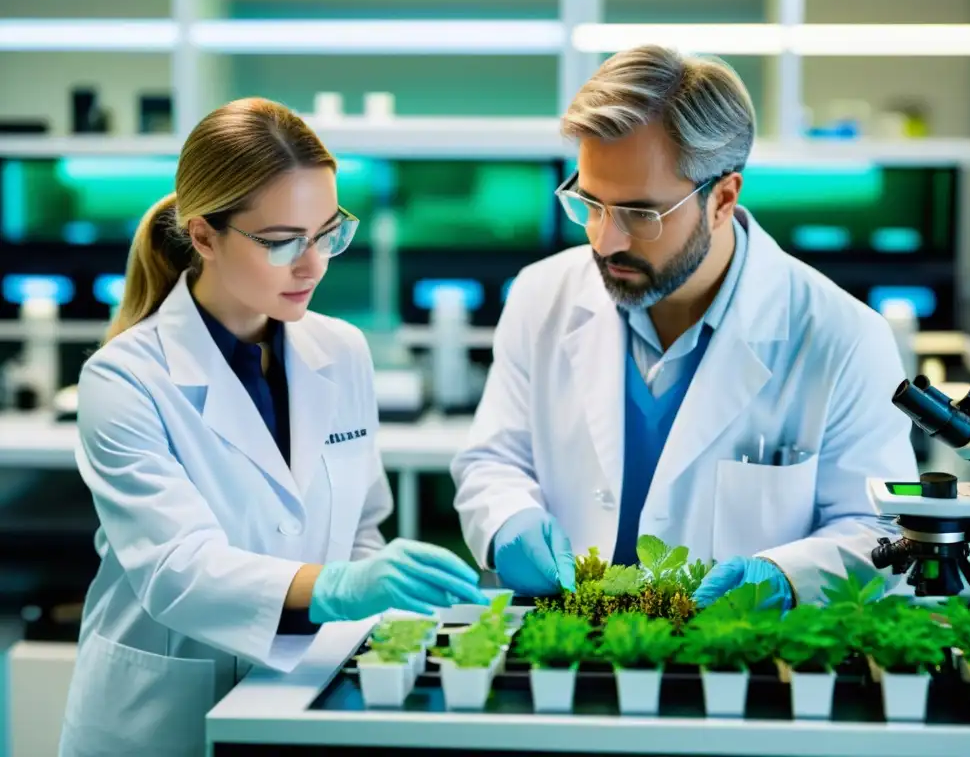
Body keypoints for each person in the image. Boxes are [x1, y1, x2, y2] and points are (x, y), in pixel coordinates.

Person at [59, 97, 487, 757]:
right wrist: (339, 588)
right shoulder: (125, 378)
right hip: (162, 717)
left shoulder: (342, 352)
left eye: (328, 233)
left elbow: (363, 527)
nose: (312, 264)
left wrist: (386, 605)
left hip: (306, 694)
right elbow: (178, 571)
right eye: (283, 241)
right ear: (203, 236)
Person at [451, 46, 917, 609]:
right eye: (590, 203)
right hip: (568, 649)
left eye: (640, 215)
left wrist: (785, 577)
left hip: (741, 662)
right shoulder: (540, 295)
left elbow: (880, 531)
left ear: (722, 199)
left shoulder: (843, 337)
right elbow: (493, 460)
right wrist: (509, 520)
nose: (605, 240)